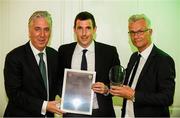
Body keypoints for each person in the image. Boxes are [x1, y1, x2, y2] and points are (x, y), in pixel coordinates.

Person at [110, 14, 176, 117]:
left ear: (150, 32)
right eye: (132, 32)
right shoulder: (134, 57)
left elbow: (167, 98)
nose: (136, 36)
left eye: (140, 32)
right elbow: (125, 84)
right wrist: (107, 89)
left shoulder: (164, 60)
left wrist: (133, 95)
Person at [58, 11, 120, 117]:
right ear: (74, 30)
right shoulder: (64, 50)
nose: (84, 33)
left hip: (101, 113)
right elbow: (58, 79)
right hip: (72, 113)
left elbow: (117, 83)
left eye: (88, 28)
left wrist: (106, 89)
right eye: (80, 28)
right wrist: (65, 92)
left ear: (94, 29)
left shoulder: (109, 52)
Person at [4, 11, 64, 117]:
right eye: (37, 29)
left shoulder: (54, 55)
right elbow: (14, 94)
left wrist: (74, 93)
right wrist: (45, 106)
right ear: (29, 31)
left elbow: (58, 83)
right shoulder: (14, 57)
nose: (42, 35)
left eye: (46, 29)